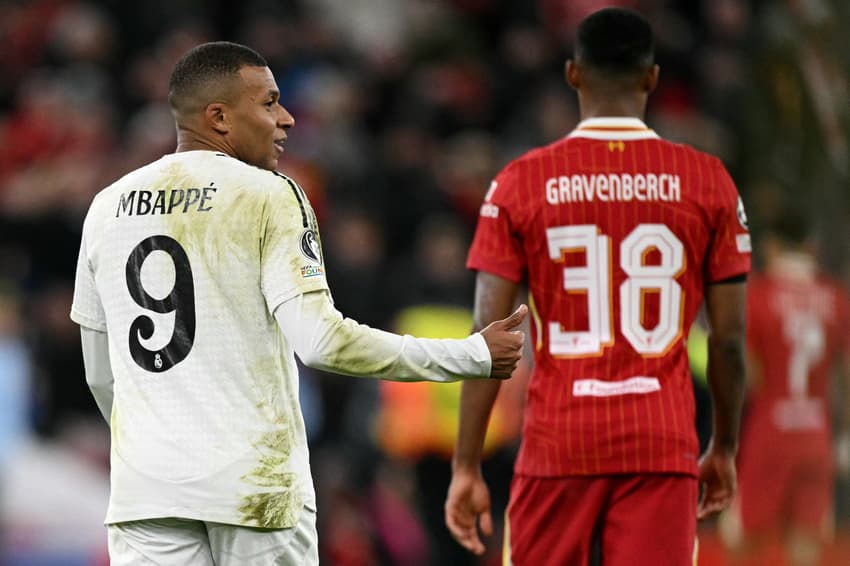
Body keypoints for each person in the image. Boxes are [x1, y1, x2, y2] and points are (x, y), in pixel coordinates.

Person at [70, 41, 527, 566]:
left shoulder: (106, 208)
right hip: (254, 488)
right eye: (268, 103)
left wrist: (159, 441)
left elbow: (101, 375)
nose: (285, 119)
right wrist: (471, 354)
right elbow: (321, 342)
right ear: (218, 117)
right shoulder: (269, 194)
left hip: (146, 493)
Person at [444, 8, 752, 566]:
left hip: (557, 441)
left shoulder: (520, 182)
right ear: (652, 78)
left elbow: (485, 335)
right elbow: (729, 340)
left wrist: (466, 466)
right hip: (661, 443)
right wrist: (724, 448)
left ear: (572, 74)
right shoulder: (709, 181)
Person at [723, 211, 850, 566]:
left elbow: (748, 373)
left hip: (770, 430)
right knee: (806, 540)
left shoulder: (758, 295)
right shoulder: (835, 297)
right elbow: (845, 374)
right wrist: (844, 434)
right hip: (816, 433)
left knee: (741, 540)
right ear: (811, 245)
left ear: (772, 246)